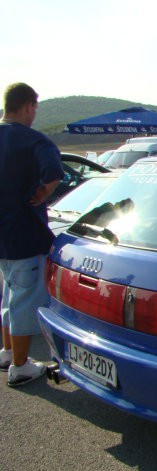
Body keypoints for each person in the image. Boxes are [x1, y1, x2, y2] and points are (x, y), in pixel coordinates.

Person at [0, 83, 64, 387]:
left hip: (1, 237)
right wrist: (42, 193)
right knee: (24, 301)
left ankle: (7, 352)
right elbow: (54, 171)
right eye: (35, 108)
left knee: (9, 296)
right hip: (25, 234)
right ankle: (20, 366)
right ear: (28, 106)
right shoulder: (33, 140)